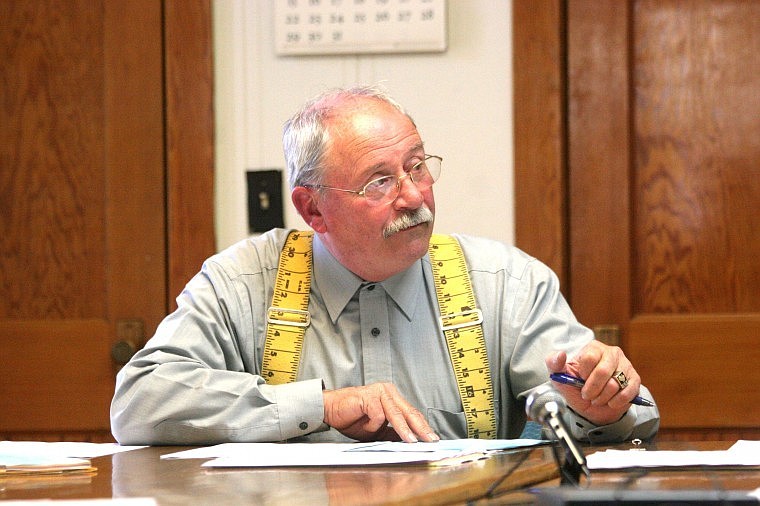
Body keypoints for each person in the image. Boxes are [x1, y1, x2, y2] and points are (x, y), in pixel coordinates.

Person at [110, 85, 659, 445]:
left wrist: (600, 405)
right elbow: (139, 402)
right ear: (312, 208)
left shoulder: (507, 284)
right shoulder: (241, 282)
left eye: (418, 167)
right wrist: (320, 405)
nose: (414, 197)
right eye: (379, 181)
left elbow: (605, 407)